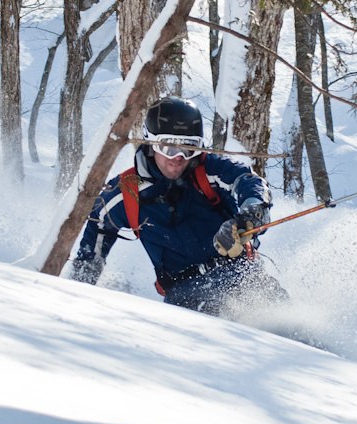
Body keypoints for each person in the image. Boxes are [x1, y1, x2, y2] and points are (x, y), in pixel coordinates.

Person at [70, 96, 284, 316]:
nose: (178, 158)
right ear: (151, 143)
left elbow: (248, 181)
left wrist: (250, 214)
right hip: (187, 300)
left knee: (286, 326)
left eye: (188, 148)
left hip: (245, 279)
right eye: (169, 147)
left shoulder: (209, 170)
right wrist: (83, 281)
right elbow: (99, 223)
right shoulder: (129, 189)